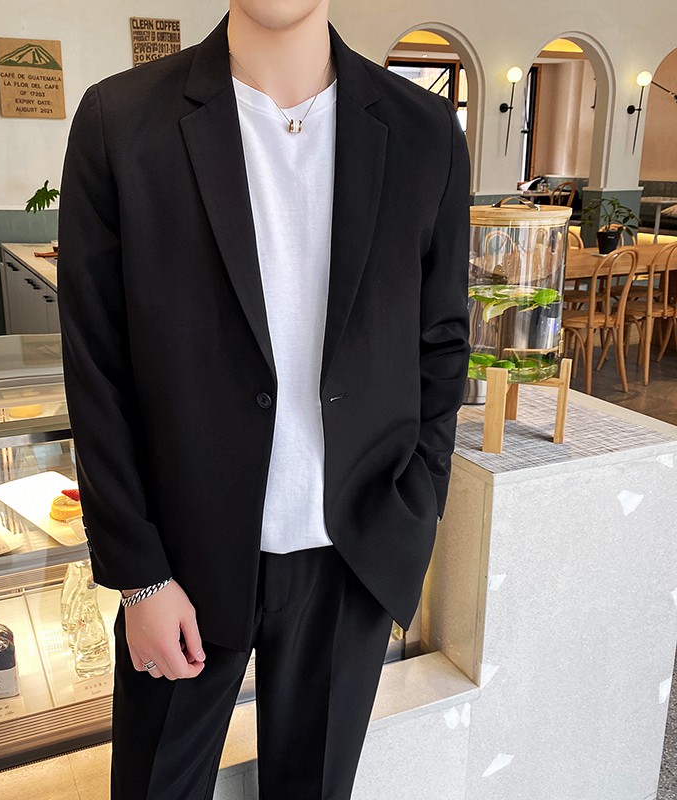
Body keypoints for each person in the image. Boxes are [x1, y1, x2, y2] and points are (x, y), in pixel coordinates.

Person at [57, 1, 470, 797]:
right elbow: (97, 369)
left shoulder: (425, 134)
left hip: (351, 555)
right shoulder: (122, 122)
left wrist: (413, 506)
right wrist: (139, 575)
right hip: (179, 561)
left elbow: (441, 343)